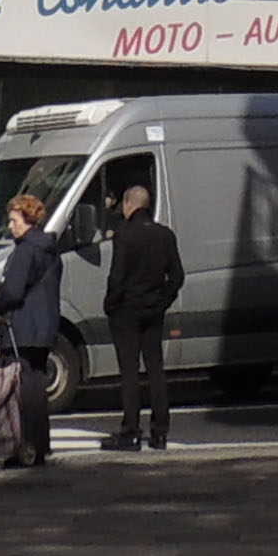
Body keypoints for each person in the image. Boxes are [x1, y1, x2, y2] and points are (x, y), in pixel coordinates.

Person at [96, 179, 183, 454]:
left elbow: (117, 278)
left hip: (127, 309)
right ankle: (160, 430)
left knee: (130, 371)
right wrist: (163, 300)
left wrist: (110, 304)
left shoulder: (125, 235)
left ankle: (131, 430)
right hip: (153, 308)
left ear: (128, 204)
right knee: (155, 367)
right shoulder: (164, 235)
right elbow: (177, 276)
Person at [0, 188, 67, 469]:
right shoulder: (50, 250)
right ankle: (39, 443)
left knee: (20, 390)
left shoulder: (25, 250)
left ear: (27, 219)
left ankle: (22, 444)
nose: (11, 226)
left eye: (14, 220)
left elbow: (13, 290)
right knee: (36, 387)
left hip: (22, 327)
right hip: (44, 326)